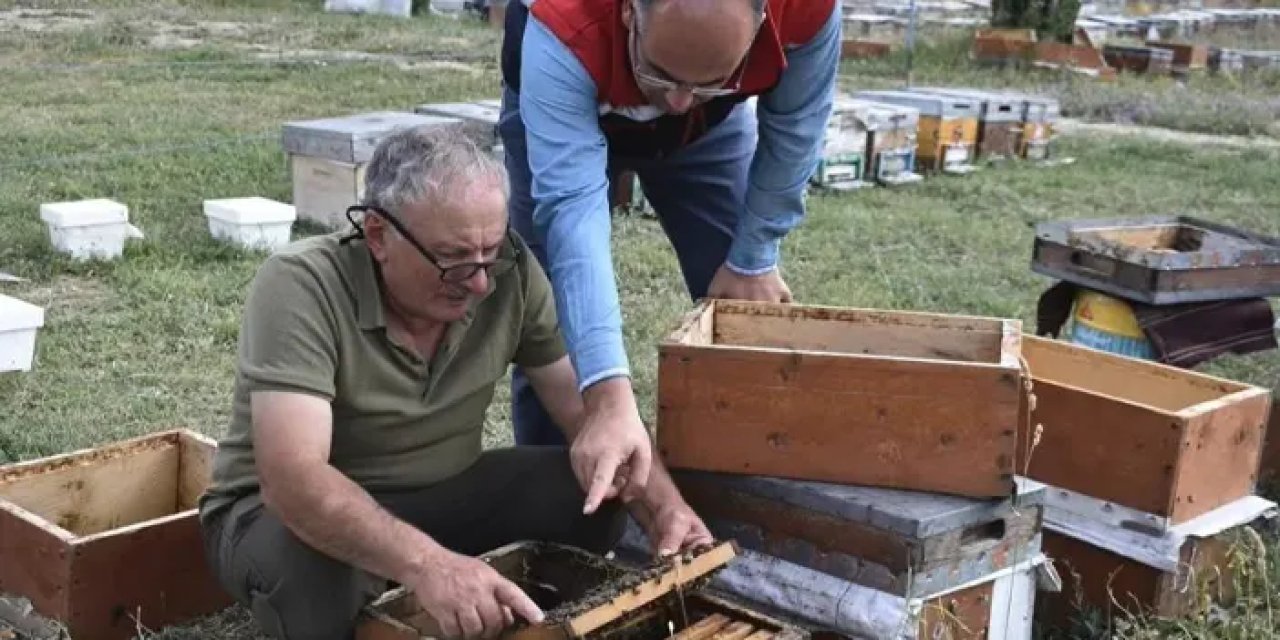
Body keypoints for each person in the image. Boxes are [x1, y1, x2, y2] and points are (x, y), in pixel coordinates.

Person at [197, 124, 713, 640]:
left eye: (490, 253)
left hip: (444, 491)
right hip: (275, 516)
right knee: (321, 569)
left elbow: (593, 416)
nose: (481, 282)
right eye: (454, 260)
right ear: (377, 235)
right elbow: (294, 482)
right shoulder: (300, 284)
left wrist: (665, 508)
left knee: (588, 492)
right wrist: (430, 565)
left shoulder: (508, 270)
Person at [497, 0, 841, 451]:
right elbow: (572, 214)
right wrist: (607, 396)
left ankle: (745, 477)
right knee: (553, 326)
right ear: (629, 12)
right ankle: (558, 497)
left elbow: (797, 125)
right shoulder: (561, 21)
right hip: (566, 99)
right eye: (660, 72)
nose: (678, 102)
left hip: (709, 133)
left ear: (761, 25)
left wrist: (754, 256)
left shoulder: (806, 9)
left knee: (743, 310)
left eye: (710, 80)